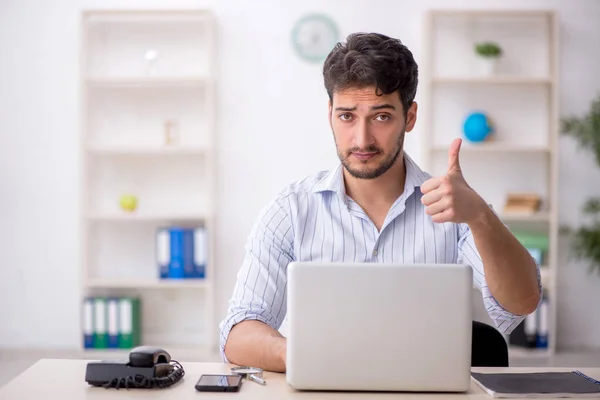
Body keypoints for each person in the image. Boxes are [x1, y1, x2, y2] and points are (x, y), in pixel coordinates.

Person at [219, 32, 541, 373]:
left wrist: (480, 217)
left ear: (410, 117)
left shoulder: (457, 208)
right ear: (330, 114)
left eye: (381, 116)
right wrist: (301, 354)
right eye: (347, 116)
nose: (362, 139)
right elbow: (238, 333)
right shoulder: (291, 211)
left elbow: (521, 303)